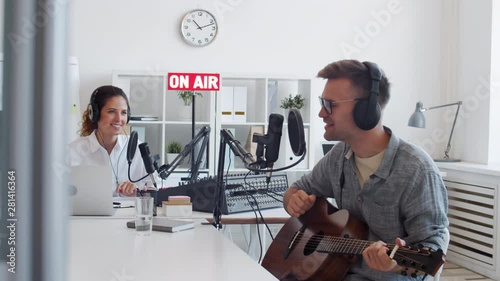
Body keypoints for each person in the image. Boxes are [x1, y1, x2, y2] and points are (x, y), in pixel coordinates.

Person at [283, 60, 449, 280]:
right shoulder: (338, 156)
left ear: (366, 111)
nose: (322, 113)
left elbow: (433, 251)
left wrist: (394, 265)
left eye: (330, 104)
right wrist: (293, 200)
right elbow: (294, 191)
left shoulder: (417, 171)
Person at [67, 85, 151, 196]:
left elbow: (156, 189)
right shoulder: (73, 151)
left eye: (123, 113)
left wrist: (138, 192)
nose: (119, 119)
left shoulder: (136, 148)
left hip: (129, 213)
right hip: (88, 213)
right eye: (111, 111)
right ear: (95, 114)